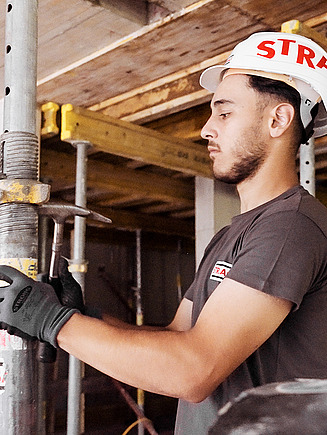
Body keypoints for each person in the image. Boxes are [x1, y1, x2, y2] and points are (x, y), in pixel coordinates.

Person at [0, 31, 327, 435]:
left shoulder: (290, 226)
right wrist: (85, 317)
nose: (207, 129)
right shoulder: (233, 234)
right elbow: (177, 338)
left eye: (224, 113)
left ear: (278, 119)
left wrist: (52, 320)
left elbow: (192, 370)